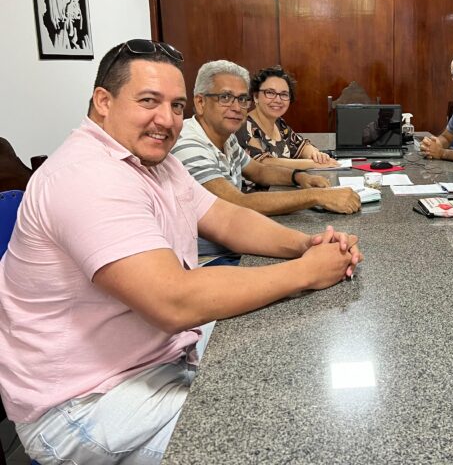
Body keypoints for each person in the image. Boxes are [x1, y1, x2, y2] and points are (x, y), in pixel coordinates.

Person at [0, 40, 363, 464]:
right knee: (281, 437)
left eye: (175, 106)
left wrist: (306, 245)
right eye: (148, 101)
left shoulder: (155, 161)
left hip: (156, 356)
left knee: (292, 369)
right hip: (85, 403)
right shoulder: (86, 176)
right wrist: (307, 272)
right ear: (103, 101)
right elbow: (173, 300)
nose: (166, 119)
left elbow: (227, 218)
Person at [172, 60, 361, 255]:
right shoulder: (189, 145)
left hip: (236, 243)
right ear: (200, 102)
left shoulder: (226, 137)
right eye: (225, 97)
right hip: (207, 258)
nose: (237, 107)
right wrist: (317, 196)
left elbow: (259, 171)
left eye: (242, 99)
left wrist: (299, 177)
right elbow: (237, 203)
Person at [237, 66, 337, 170]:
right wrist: (312, 164)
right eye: (270, 93)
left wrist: (316, 155)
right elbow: (263, 163)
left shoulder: (279, 124)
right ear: (256, 96)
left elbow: (302, 146)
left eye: (284, 94)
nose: (278, 100)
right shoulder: (243, 126)